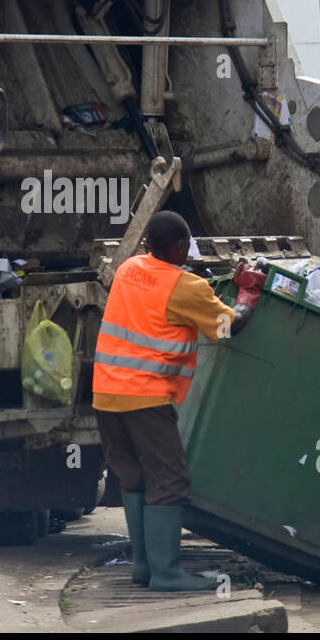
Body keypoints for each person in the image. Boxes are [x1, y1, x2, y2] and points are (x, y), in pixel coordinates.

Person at [93, 211, 263, 591]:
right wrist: (249, 296)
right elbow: (227, 326)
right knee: (169, 482)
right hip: (145, 398)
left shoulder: (128, 269)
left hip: (106, 393)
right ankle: (166, 574)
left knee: (134, 479)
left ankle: (144, 566)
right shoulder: (185, 287)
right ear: (181, 245)